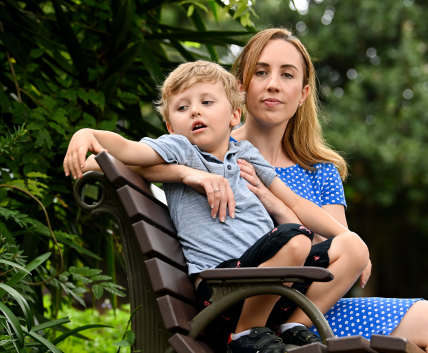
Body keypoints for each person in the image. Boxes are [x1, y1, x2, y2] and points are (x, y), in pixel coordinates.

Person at [64, 60, 370, 352]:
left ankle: (291, 326)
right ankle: (246, 334)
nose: (195, 110)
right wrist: (87, 134)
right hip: (225, 289)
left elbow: (293, 201)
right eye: (183, 107)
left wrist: (346, 237)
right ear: (171, 126)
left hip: (273, 284)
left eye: (207, 102)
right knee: (294, 239)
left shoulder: (245, 153)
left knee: (352, 247)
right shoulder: (180, 149)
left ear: (234, 115)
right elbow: (123, 153)